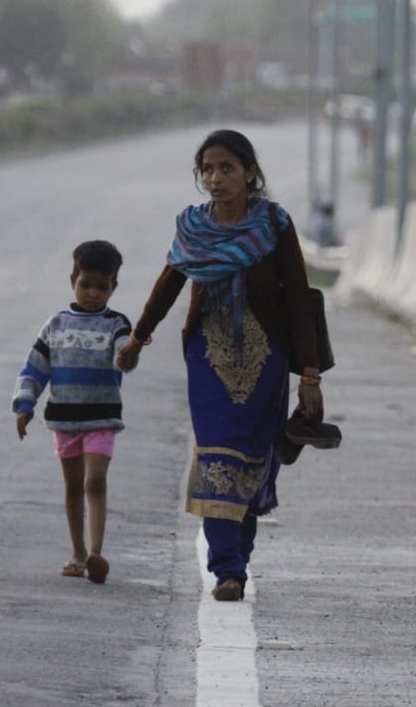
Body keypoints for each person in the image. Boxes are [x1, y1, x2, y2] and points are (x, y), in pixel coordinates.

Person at [117, 129, 323, 602]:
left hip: (265, 356)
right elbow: (169, 282)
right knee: (217, 455)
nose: (215, 178)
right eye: (207, 169)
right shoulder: (193, 227)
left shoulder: (273, 223)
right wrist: (138, 338)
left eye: (227, 168)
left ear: (250, 173)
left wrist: (309, 374)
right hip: (208, 355)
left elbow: (298, 299)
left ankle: (238, 558)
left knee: (253, 456)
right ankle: (226, 567)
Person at [13, 240, 136, 585]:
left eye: (102, 287)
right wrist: (25, 405)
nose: (93, 293)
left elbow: (122, 357)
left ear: (114, 287)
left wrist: (129, 352)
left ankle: (97, 553)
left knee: (94, 482)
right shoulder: (55, 325)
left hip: (102, 420)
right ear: (72, 280)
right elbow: (34, 368)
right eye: (86, 285)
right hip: (64, 420)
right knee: (72, 487)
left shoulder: (116, 325)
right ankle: (78, 553)